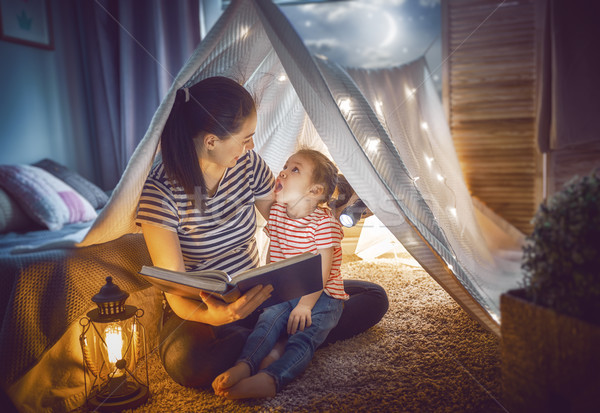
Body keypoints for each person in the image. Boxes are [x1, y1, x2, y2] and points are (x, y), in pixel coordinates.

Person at [136, 76, 389, 388]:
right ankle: (283, 342)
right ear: (211, 141)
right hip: (202, 308)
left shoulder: (247, 165)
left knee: (373, 297)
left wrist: (326, 212)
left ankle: (271, 342)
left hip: (259, 292)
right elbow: (174, 287)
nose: (251, 146)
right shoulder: (159, 193)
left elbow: (286, 220)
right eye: (245, 139)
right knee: (188, 363)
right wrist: (219, 316)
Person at [213, 149, 350, 399]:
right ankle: (245, 365)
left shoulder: (324, 224)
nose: (283, 171)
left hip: (321, 296)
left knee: (304, 338)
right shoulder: (277, 213)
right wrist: (268, 288)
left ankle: (272, 378)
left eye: (295, 169)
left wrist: (306, 306)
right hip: (286, 290)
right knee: (266, 323)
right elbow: (273, 255)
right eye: (285, 166)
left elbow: (322, 271)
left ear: (315, 191)